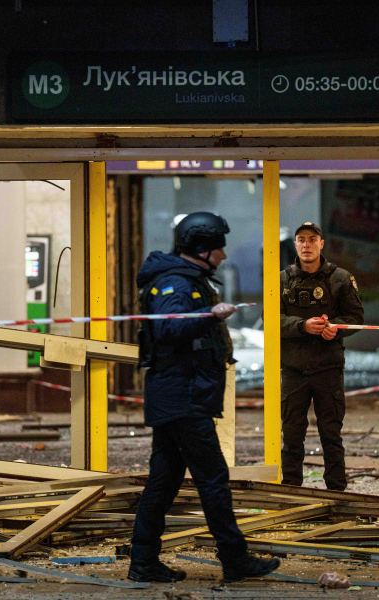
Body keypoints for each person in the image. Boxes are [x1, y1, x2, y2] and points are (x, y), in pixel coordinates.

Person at [128, 211, 281, 583]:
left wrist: (207, 314)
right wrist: (209, 315)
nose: (224, 256)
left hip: (181, 395)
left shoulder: (188, 280)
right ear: (202, 248)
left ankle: (143, 562)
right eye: (219, 248)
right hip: (182, 397)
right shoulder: (176, 284)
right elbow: (167, 328)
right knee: (213, 478)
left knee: (162, 483)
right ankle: (234, 558)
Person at [280, 221, 364, 491]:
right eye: (301, 240)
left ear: (321, 244)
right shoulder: (282, 280)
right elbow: (270, 320)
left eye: (312, 239)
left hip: (328, 368)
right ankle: (291, 490)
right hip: (294, 370)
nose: (306, 245)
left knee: (331, 433)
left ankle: (337, 492)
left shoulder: (340, 279)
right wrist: (301, 326)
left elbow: (356, 319)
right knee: (292, 434)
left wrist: (335, 329)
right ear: (295, 244)